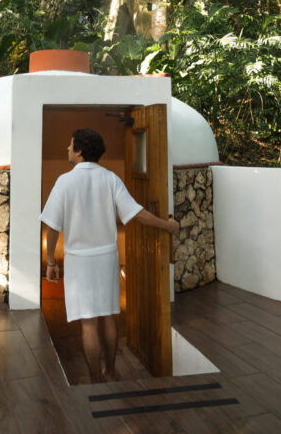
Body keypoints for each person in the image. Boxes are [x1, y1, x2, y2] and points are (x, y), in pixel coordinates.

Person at [40, 127, 179, 383]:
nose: (67, 149)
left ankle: (95, 379)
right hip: (106, 258)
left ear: (79, 151)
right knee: (108, 316)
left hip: (79, 261)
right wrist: (166, 225)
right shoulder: (110, 179)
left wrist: (50, 261)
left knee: (88, 323)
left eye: (70, 145)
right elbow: (137, 213)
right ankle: (111, 372)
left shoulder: (64, 182)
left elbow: (52, 226)